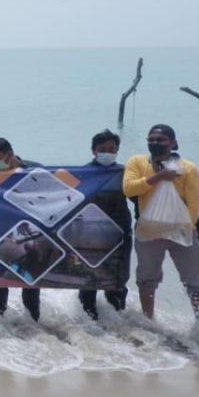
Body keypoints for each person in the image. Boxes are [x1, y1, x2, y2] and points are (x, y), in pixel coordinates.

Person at [123, 123, 199, 319]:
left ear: (173, 143)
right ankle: (148, 320)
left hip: (182, 231)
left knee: (195, 282)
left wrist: (182, 228)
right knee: (146, 280)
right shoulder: (137, 162)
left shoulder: (188, 169)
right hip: (148, 231)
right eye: (151, 140)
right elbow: (129, 189)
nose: (155, 143)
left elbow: (194, 204)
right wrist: (159, 177)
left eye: (160, 140)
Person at [76, 129, 133, 319]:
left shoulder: (125, 173)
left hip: (120, 231)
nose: (107, 152)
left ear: (117, 150)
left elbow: (140, 198)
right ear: (93, 151)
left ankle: (118, 319)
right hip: (89, 232)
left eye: (111, 149)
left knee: (118, 277)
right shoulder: (82, 174)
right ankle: (89, 320)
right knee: (88, 277)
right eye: (102, 149)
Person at [0, 137, 43, 321]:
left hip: (31, 234)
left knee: (30, 285)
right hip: (3, 236)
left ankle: (34, 325)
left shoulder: (35, 170)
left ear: (10, 154)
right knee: (0, 283)